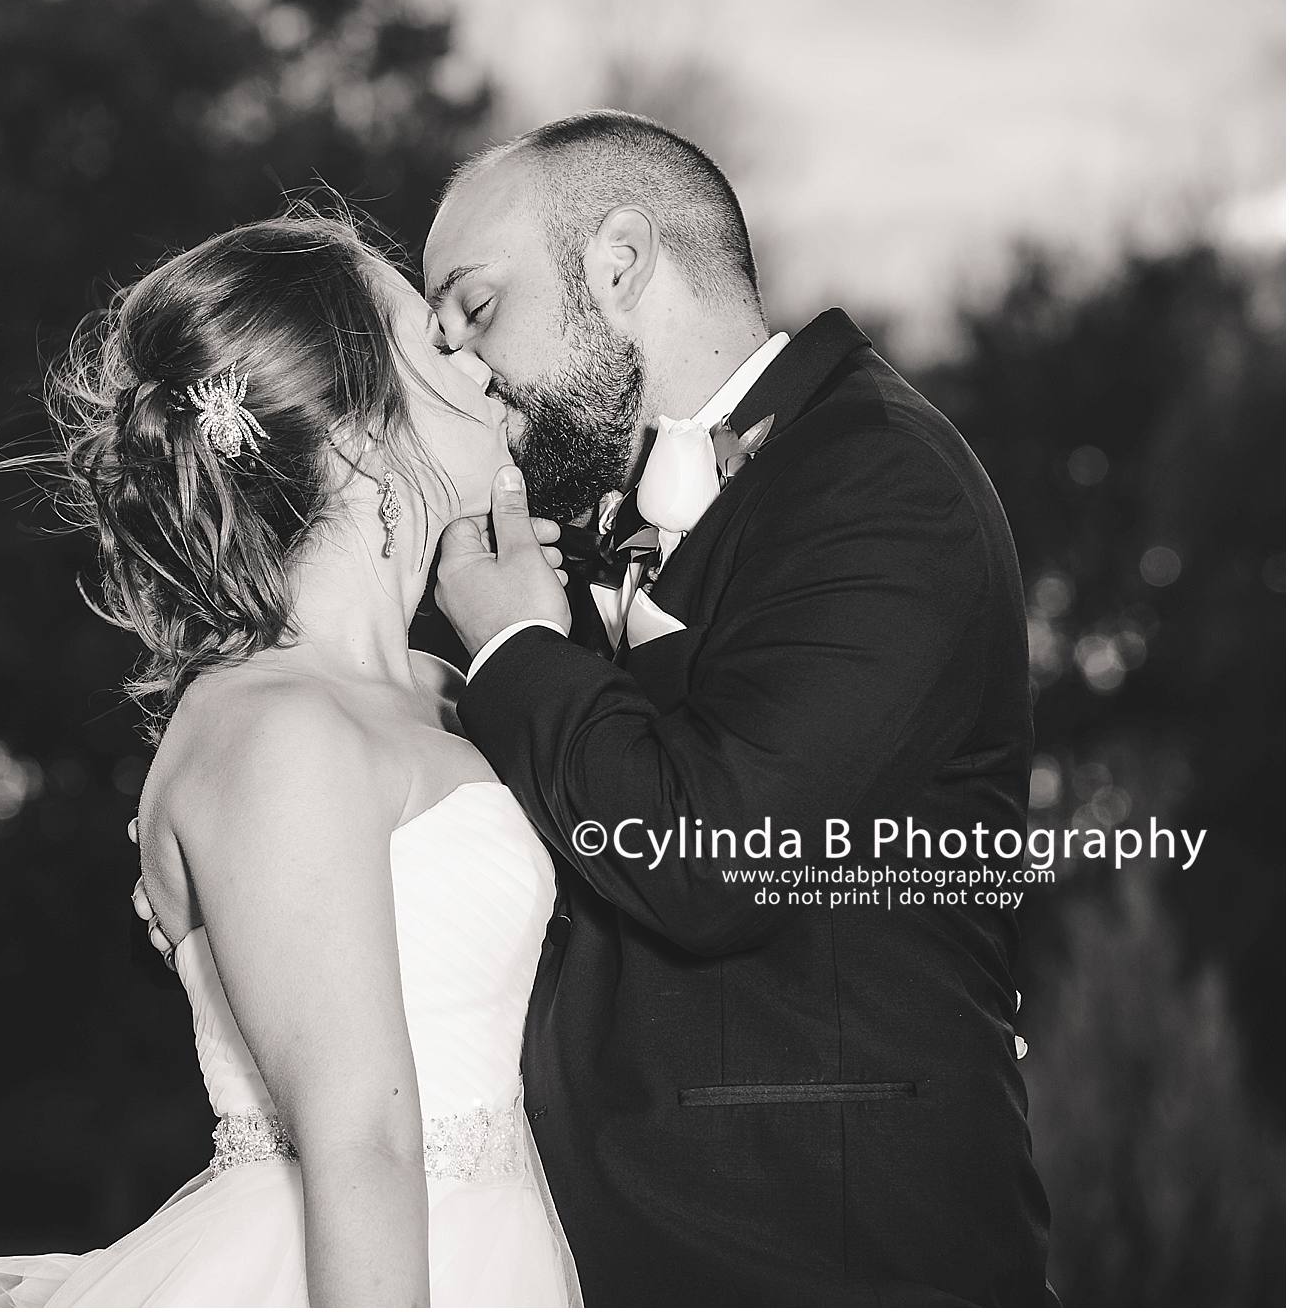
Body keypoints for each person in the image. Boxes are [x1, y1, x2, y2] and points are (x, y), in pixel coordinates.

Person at [423, 110, 1056, 1304]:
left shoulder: (881, 480)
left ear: (618, 263)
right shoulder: (581, 521)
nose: (461, 367)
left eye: (475, 307)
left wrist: (513, 644)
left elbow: (713, 854)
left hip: (821, 1248)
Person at [0, 213, 582, 1307]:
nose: (476, 361)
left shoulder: (447, 691)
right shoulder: (274, 726)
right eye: (434, 342)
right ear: (358, 437)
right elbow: (361, 1140)